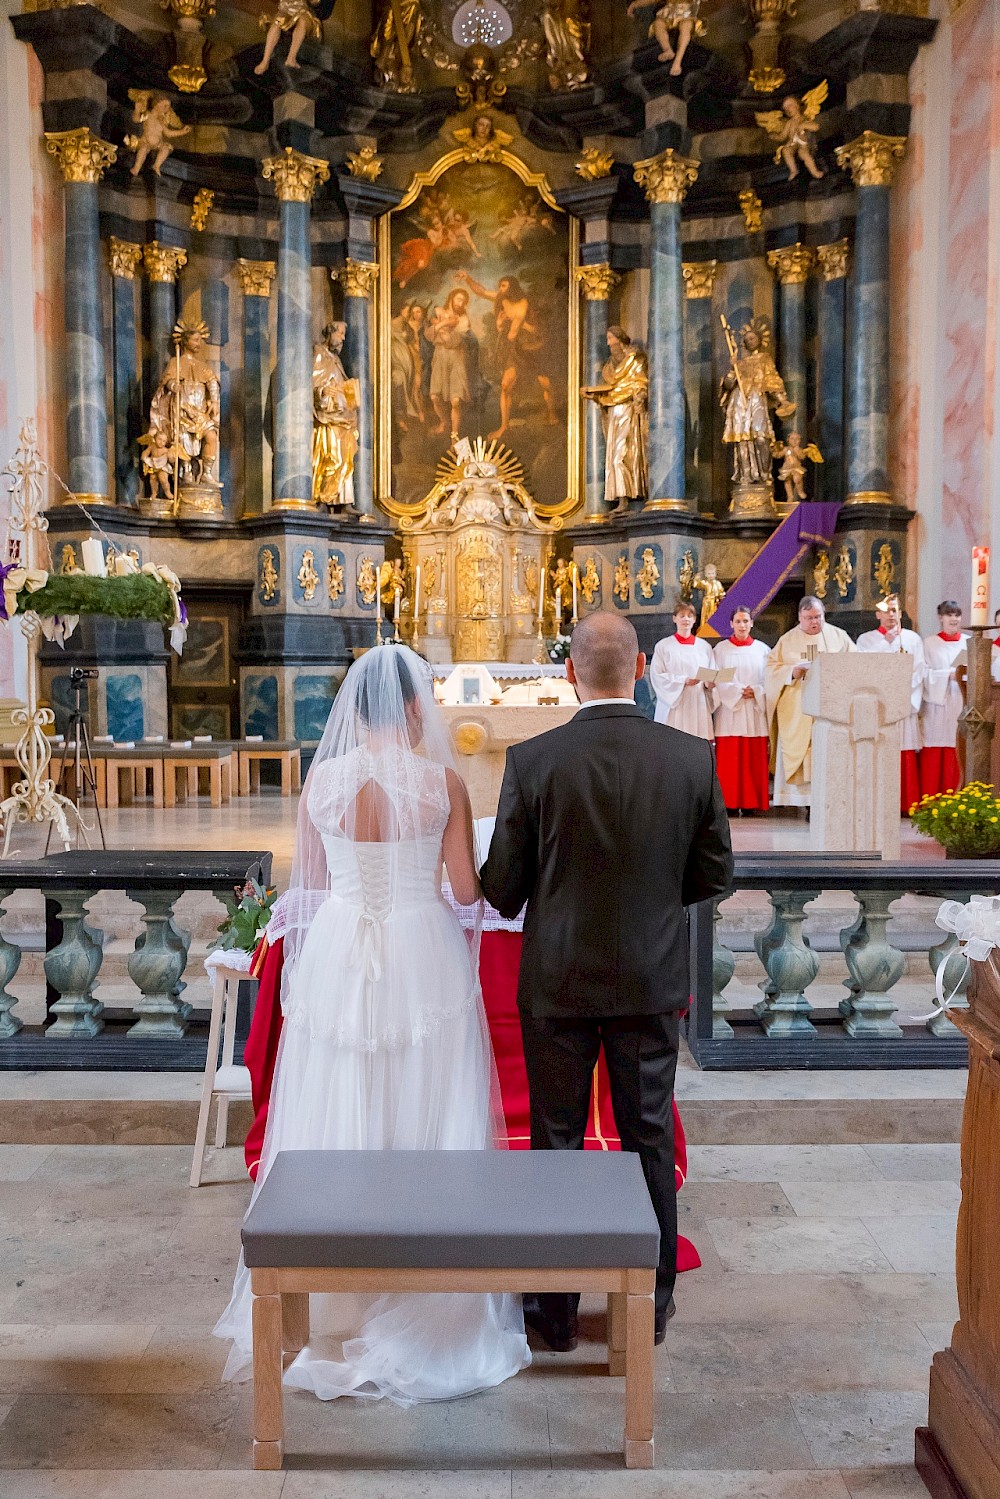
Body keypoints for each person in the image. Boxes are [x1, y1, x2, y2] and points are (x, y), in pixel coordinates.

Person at [214, 646, 529, 1402]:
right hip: (423, 951)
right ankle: (429, 1282)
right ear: (418, 708)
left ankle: (330, 1289)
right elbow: (462, 888)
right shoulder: (442, 783)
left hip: (340, 950)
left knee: (338, 1099)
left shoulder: (321, 781)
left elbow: (313, 884)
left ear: (355, 711)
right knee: (426, 1106)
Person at [481, 612, 733, 1352]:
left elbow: (501, 889)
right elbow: (715, 872)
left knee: (555, 1138)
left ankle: (554, 1311)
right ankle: (650, 1299)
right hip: (651, 979)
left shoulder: (534, 759)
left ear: (568, 672)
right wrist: (650, 904)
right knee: (646, 1133)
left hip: (557, 980)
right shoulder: (691, 757)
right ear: (644, 667)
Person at [765, 595, 855, 807]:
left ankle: (831, 799)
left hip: (832, 707)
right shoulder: (786, 641)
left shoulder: (838, 636)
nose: (814, 622)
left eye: (818, 617)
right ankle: (804, 801)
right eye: (809, 618)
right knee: (803, 749)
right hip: (799, 710)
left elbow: (855, 662)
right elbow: (771, 670)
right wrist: (791, 672)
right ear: (799, 617)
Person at [857, 595, 925, 813]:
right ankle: (878, 804)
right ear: (878, 614)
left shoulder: (912, 639)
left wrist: (903, 691)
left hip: (905, 702)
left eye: (894, 610)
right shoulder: (866, 640)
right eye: (886, 611)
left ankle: (907, 804)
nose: (890, 615)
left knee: (904, 752)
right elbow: (865, 670)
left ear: (900, 613)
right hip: (879, 706)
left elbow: (919, 669)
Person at [712, 606, 771, 811]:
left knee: (752, 759)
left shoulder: (763, 650)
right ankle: (728, 803)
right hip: (730, 711)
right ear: (731, 624)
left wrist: (756, 691)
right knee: (729, 760)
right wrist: (737, 692)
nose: (742, 625)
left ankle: (750, 804)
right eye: (738, 621)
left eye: (746, 621)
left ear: (752, 623)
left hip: (754, 709)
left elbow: (770, 679)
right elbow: (718, 678)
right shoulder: (721, 650)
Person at [921, 600, 968, 796]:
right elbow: (923, 672)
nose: (954, 619)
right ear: (940, 618)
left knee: (957, 744)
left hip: (960, 699)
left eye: (957, 615)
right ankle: (932, 797)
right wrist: (947, 675)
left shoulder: (967, 641)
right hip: (937, 703)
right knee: (936, 743)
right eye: (949, 615)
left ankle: (956, 795)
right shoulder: (930, 643)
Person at [649, 599, 716, 739]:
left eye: (690, 616)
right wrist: (683, 680)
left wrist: (709, 684)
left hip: (698, 702)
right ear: (675, 619)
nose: (686, 619)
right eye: (682, 615)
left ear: (694, 620)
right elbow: (657, 675)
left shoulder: (704, 647)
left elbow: (712, 673)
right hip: (674, 703)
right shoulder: (664, 646)